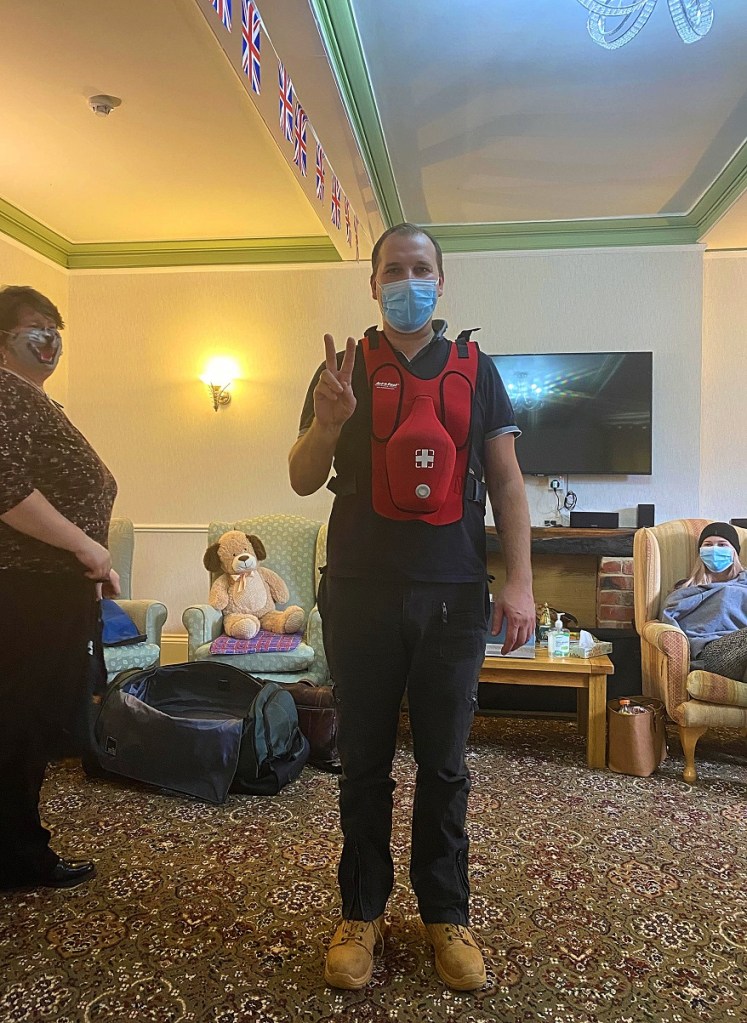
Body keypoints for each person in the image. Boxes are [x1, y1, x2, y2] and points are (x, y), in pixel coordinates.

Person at [288, 224, 534, 991]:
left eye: (419, 268)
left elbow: (506, 481)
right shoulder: (341, 368)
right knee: (361, 763)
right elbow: (301, 477)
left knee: (444, 765)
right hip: (359, 588)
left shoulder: (477, 369)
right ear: (372, 283)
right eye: (392, 269)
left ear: (440, 279)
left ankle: (445, 914)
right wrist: (328, 422)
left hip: (453, 593)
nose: (406, 281)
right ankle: (360, 911)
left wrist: (520, 582)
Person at [0, 285, 119, 891]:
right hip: (28, 590)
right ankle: (18, 856)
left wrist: (90, 566)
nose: (49, 339)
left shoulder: (31, 398)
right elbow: (7, 489)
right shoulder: (5, 392)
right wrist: (86, 548)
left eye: (55, 327)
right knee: (20, 724)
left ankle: (18, 847)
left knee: (29, 724)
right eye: (34, 327)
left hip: (53, 588)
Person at [661, 522, 747, 681]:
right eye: (708, 545)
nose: (714, 549)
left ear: (734, 551)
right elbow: (668, 617)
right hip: (710, 652)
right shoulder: (686, 590)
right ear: (700, 552)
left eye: (722, 544)